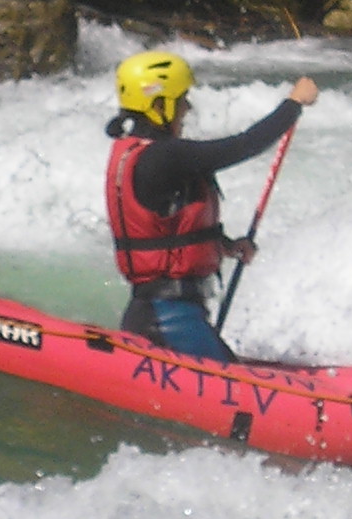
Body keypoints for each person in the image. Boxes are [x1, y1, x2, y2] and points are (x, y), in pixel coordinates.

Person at [104, 49, 317, 362]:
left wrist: (226, 246)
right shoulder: (164, 156)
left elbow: (167, 227)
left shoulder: (139, 153)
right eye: (182, 99)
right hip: (170, 321)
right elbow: (245, 144)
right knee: (237, 383)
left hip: (157, 314)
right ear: (159, 105)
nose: (187, 107)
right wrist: (294, 104)